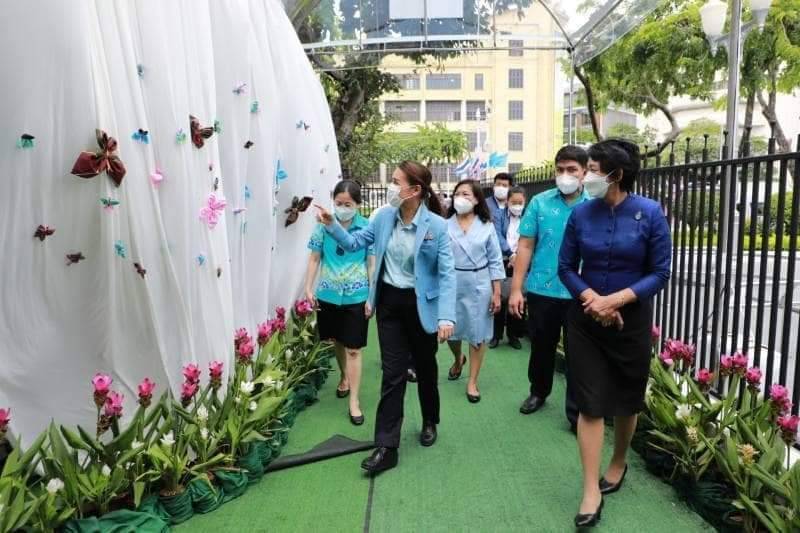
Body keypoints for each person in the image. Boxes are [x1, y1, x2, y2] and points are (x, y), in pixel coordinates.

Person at [316, 161, 456, 475]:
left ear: (415, 190)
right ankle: (387, 446)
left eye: (396, 181)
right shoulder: (383, 217)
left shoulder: (436, 226)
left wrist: (446, 316)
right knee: (393, 373)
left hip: (421, 306)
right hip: (390, 304)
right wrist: (331, 224)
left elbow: (447, 274)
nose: (391, 187)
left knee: (426, 368)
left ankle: (430, 419)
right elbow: (354, 243)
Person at [558, 139, 671, 527]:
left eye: (592, 169)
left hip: (631, 322)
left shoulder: (650, 213)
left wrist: (616, 301)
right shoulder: (580, 214)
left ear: (616, 175)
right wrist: (594, 300)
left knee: (626, 399)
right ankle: (590, 488)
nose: (585, 176)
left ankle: (619, 460)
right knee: (589, 404)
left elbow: (660, 272)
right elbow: (566, 267)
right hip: (586, 320)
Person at [509, 146, 589, 430]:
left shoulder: (595, 204)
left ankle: (576, 411)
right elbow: (525, 246)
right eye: (560, 169)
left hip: (582, 293)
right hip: (542, 289)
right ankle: (538, 391)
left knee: (579, 354)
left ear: (584, 172)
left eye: (572, 170)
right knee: (541, 347)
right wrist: (516, 289)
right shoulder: (540, 202)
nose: (565, 175)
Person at [304, 180, 375, 426]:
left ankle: (354, 401)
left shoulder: (367, 227)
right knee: (337, 340)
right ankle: (344, 376)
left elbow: (371, 263)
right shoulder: (322, 226)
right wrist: (308, 287)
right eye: (338, 203)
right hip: (328, 294)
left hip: (357, 296)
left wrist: (371, 296)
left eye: (348, 204)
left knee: (354, 348)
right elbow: (315, 258)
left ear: (358, 204)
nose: (342, 208)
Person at [444, 180, 504, 402]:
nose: (460, 198)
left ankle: (472, 381)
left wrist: (496, 292)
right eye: (457, 193)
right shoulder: (444, 225)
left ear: (477, 199)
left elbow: (495, 260)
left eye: (466, 194)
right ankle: (458, 358)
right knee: (451, 330)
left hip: (480, 283)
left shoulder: (486, 226)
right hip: (451, 282)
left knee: (478, 333)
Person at [490, 186, 527, 350]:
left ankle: (513, 335)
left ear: (525, 202)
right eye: (514, 202)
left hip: (522, 262)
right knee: (499, 296)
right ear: (507, 202)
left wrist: (519, 256)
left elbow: (530, 238)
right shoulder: (498, 215)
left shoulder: (529, 216)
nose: (517, 205)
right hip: (502, 260)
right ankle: (496, 335)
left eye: (520, 202)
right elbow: (496, 236)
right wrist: (510, 254)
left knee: (518, 296)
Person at [486, 172, 513, 261]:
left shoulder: (514, 205)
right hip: (491, 255)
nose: (501, 188)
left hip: (513, 254)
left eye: (504, 185)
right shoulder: (485, 205)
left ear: (510, 188)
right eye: (498, 184)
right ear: (493, 186)